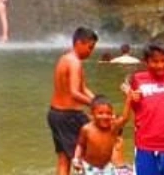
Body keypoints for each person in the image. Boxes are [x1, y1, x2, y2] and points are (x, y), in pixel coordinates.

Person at [125, 40, 164, 175]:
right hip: (145, 143)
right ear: (146, 62)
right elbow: (137, 109)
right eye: (155, 61)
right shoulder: (138, 79)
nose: (160, 65)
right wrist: (132, 99)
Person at [48, 26, 99, 175]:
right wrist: (93, 105)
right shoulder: (74, 62)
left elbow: (83, 88)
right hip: (68, 116)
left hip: (55, 114)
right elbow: (75, 92)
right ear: (79, 43)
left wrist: (98, 101)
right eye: (90, 47)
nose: (91, 52)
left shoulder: (65, 58)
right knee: (88, 153)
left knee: (64, 158)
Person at [70, 95, 129, 175]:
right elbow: (80, 145)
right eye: (100, 113)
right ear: (91, 115)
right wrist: (76, 159)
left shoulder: (113, 128)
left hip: (107, 166)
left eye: (108, 113)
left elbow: (125, 118)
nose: (105, 116)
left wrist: (129, 98)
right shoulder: (87, 129)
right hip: (90, 167)